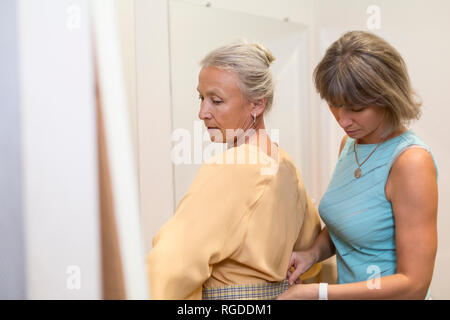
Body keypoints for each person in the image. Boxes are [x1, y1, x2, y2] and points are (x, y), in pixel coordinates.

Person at [146, 41, 322, 299]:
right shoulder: (284, 164)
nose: (202, 113)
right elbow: (311, 252)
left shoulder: (231, 168)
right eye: (201, 98)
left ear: (257, 105)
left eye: (216, 101)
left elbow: (171, 266)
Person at [278, 31, 438, 300]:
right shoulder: (350, 145)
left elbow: (414, 285)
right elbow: (351, 224)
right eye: (334, 105)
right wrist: (313, 253)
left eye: (355, 108)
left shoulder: (410, 162)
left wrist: (318, 293)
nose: (343, 119)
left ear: (387, 96)